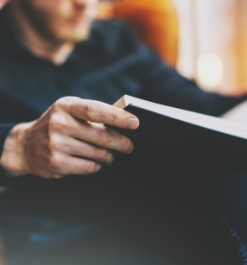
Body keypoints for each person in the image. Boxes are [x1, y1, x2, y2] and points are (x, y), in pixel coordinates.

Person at [0, 0, 247, 264]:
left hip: (156, 216)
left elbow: (201, 105)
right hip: (57, 233)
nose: (85, 4)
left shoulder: (116, 39)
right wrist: (19, 146)